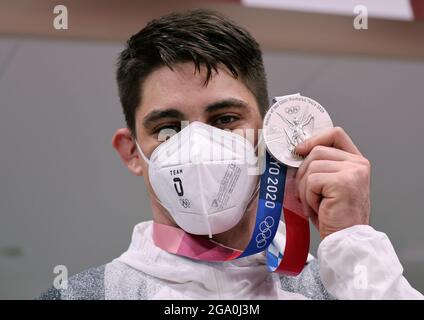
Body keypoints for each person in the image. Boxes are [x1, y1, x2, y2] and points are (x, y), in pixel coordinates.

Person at [39, 9, 422, 300]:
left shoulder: (340, 288)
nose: (198, 148)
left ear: (268, 135)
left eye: (224, 119)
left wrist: (355, 245)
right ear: (133, 152)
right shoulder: (77, 295)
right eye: (168, 129)